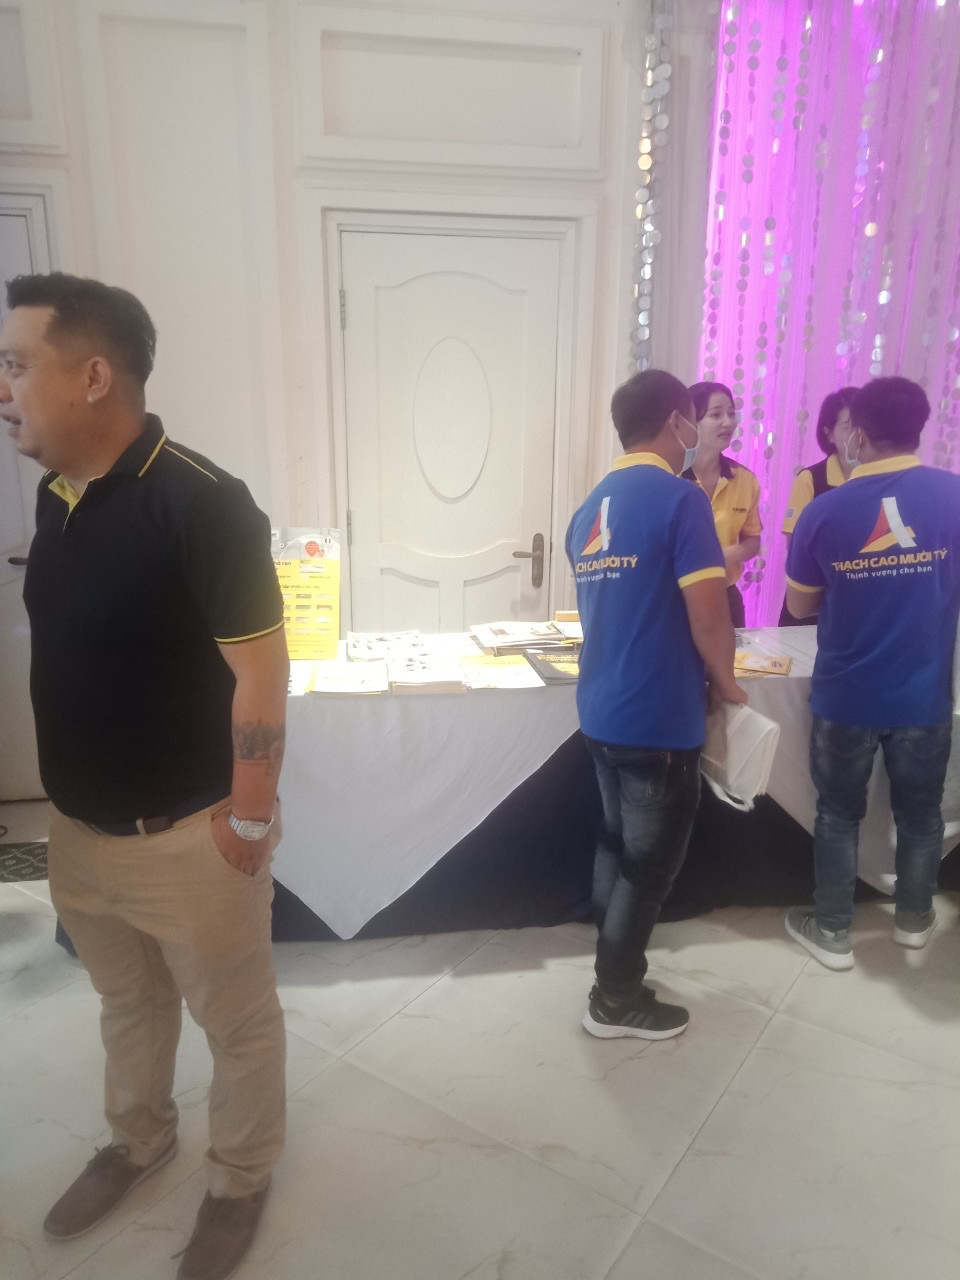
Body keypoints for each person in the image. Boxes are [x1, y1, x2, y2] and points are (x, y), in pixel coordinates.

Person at [0, 272, 289, 1280]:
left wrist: (248, 820)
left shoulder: (203, 503)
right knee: (126, 1003)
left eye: (16, 364)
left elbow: (262, 673)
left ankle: (240, 1177)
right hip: (80, 836)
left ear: (93, 376)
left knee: (235, 1021)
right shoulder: (58, 496)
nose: (2, 388)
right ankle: (138, 1138)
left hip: (188, 837)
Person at [566, 369, 746, 1039]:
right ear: (677, 421)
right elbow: (709, 616)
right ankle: (614, 998)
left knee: (617, 844)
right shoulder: (681, 500)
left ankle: (613, 969)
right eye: (695, 416)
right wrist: (727, 683)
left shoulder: (589, 509)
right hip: (657, 719)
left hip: (602, 710)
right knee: (648, 867)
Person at [784, 376, 960, 970]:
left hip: (847, 694)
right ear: (921, 428)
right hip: (924, 694)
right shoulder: (954, 496)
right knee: (921, 816)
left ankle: (833, 930)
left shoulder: (824, 509)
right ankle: (913, 919)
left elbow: (800, 605)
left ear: (856, 434)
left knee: (838, 814)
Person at [684, 381, 762, 628]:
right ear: (691, 422)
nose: (728, 422)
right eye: (716, 414)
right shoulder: (669, 477)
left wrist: (721, 556)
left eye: (731, 413)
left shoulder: (745, 480)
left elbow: (752, 540)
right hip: (676, 598)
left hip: (725, 596)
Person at [778, 386, 858, 625]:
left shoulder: (879, 481)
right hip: (813, 598)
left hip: (860, 597)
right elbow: (794, 545)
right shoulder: (812, 479)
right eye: (848, 426)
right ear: (829, 433)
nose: (858, 434)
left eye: (863, 425)